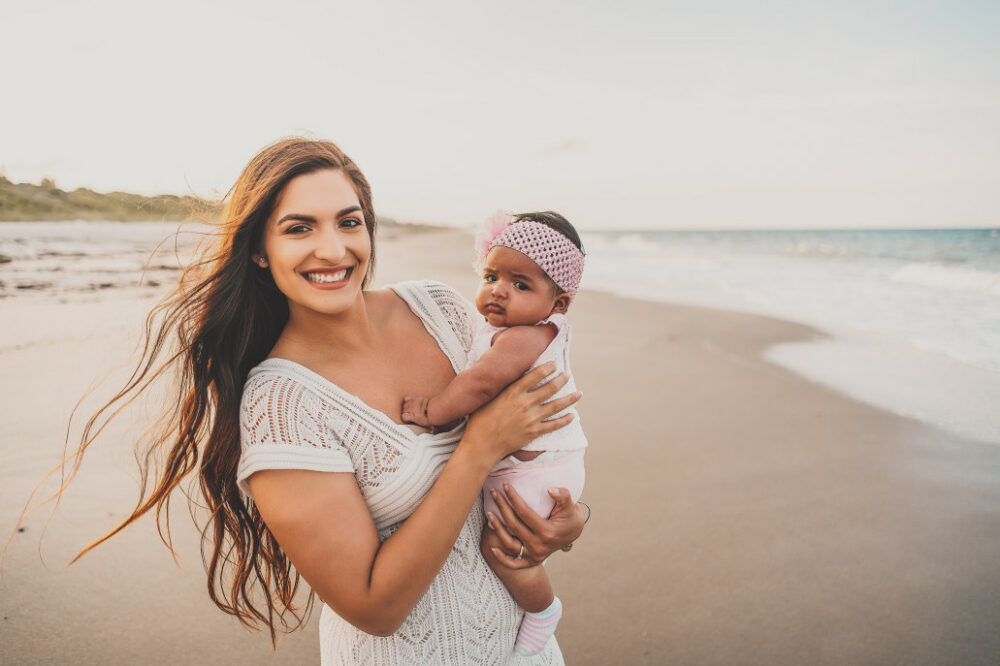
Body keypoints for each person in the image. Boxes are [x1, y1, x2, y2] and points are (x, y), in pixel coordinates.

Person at [66, 138, 587, 665]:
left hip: (528, 652)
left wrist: (566, 520)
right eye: (298, 228)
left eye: (348, 222)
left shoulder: (443, 308)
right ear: (258, 249)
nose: (334, 249)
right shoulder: (279, 407)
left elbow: (541, 437)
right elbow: (374, 608)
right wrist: (477, 447)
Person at [401, 210, 587, 657]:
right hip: (533, 467)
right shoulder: (503, 330)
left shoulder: (528, 336)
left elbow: (480, 383)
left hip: (536, 473)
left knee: (503, 550)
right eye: (491, 275)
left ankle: (542, 610)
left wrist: (433, 411)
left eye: (521, 285)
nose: (499, 290)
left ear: (557, 304)